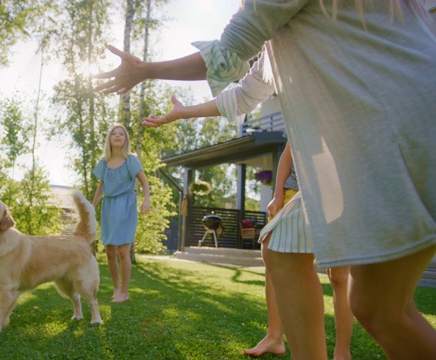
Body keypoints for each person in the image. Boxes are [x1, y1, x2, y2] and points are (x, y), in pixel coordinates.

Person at [95, 1, 436, 358]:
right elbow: (245, 94)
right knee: (285, 249)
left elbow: (228, 53)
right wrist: (183, 112)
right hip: (384, 137)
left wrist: (146, 69)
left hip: (395, 134)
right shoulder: (288, 31)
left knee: (379, 307)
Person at [143, 53, 353, 359]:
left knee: (340, 277)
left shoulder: (330, 76)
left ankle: (343, 351)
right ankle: (274, 336)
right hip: (299, 190)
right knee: (275, 252)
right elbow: (283, 145)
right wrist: (278, 194)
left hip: (337, 186)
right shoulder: (290, 83)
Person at [92, 124, 150, 303]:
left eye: (121, 134)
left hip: (126, 206)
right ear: (109, 139)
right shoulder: (104, 163)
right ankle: (116, 288)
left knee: (123, 251)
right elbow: (100, 189)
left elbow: (144, 183)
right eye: (114, 134)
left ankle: (124, 291)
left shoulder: (131, 160)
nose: (117, 136)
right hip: (108, 208)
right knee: (110, 251)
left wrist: (146, 200)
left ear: (126, 139)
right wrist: (90, 208)